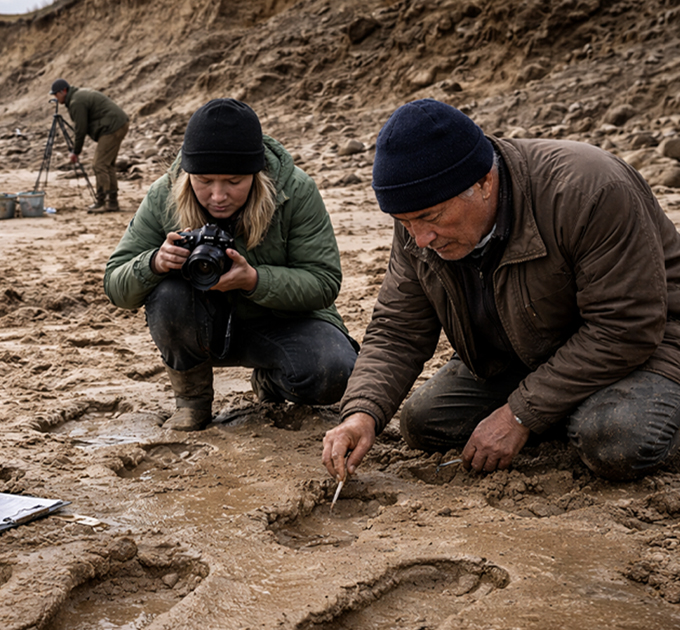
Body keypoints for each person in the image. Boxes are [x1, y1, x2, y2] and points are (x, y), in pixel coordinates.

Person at [323, 98, 680, 483]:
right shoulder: (417, 212)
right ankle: (570, 409)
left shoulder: (589, 190)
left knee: (613, 441)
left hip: (650, 345)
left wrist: (520, 414)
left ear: (484, 182)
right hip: (526, 352)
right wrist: (360, 414)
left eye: (431, 218)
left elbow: (626, 327)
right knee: (426, 423)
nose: (420, 239)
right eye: (404, 222)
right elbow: (397, 329)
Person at [105, 98, 358, 431]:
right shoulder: (163, 194)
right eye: (205, 181)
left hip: (280, 322)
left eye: (234, 181)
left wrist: (254, 280)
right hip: (200, 328)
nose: (218, 195)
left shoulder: (295, 191)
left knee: (337, 371)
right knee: (167, 293)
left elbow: (324, 282)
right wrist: (153, 262)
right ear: (187, 173)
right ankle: (192, 401)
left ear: (256, 173)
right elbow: (115, 284)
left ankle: (271, 382)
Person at [49, 79, 129, 213]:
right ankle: (112, 202)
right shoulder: (78, 96)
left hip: (112, 127)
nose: (55, 98)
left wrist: (75, 151)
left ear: (64, 91)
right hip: (119, 123)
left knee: (99, 164)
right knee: (108, 164)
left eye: (56, 94)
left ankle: (102, 201)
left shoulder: (76, 102)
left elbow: (81, 129)